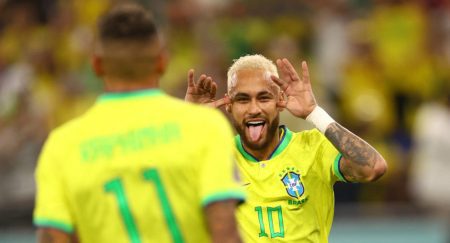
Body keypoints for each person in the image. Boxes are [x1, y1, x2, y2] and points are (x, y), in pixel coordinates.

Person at [33, 4, 245, 243]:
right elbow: (225, 232)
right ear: (162, 62)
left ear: (96, 65)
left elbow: (53, 238)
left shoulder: (62, 146)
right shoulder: (205, 126)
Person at [185, 54, 387, 242]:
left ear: (280, 101)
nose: (254, 109)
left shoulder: (314, 147)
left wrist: (314, 113)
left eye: (264, 98)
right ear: (229, 104)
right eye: (243, 99)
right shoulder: (217, 155)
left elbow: (373, 168)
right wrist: (188, 123)